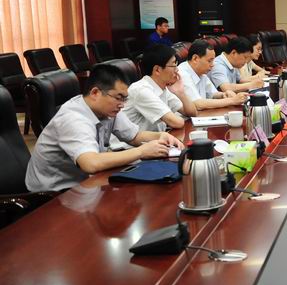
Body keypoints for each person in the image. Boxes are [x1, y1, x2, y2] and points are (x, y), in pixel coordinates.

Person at [25, 64, 184, 192]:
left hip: (85, 183)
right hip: (52, 194)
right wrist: (141, 151)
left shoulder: (108, 108)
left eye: (124, 99)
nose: (122, 105)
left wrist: (159, 136)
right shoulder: (73, 118)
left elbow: (134, 136)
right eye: (119, 98)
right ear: (95, 93)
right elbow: (91, 163)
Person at [121, 44, 197, 132]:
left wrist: (180, 92)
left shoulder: (162, 88)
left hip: (153, 139)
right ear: (157, 70)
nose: (177, 70)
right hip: (129, 141)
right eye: (173, 65)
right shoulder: (141, 90)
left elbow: (192, 112)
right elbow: (176, 122)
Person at [178, 39, 248, 111]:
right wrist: (232, 100)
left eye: (213, 60)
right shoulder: (183, 74)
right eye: (209, 61)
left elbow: (213, 94)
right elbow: (197, 104)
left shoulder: (201, 72)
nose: (212, 65)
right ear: (195, 58)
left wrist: (224, 95)